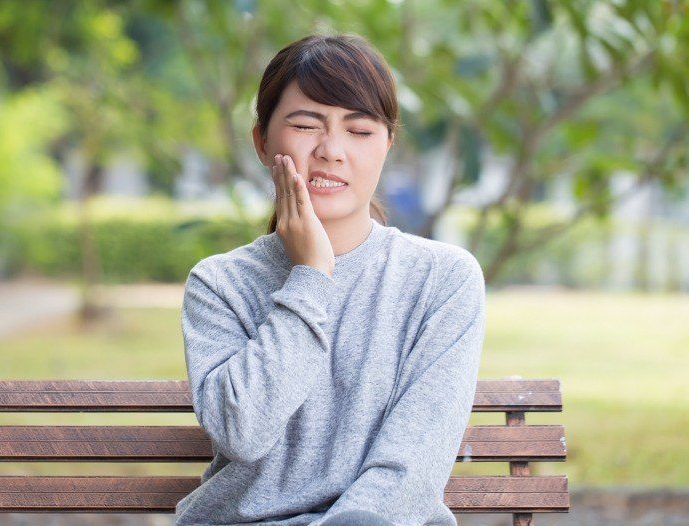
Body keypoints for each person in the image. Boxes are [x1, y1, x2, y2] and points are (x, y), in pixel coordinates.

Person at [174, 33, 486, 526]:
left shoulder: (443, 280)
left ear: (387, 145)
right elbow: (244, 431)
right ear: (262, 141)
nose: (332, 151)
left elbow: (412, 466)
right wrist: (310, 277)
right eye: (305, 125)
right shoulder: (220, 285)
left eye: (360, 131)